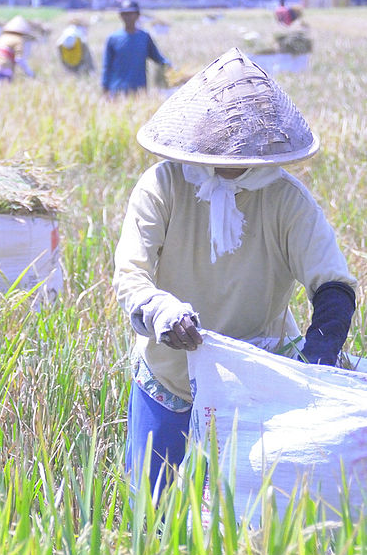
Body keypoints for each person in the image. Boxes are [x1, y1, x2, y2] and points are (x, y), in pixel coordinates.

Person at [113, 47, 357, 496]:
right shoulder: (162, 186)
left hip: (257, 378)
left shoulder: (285, 199)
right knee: (154, 507)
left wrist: (319, 353)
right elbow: (131, 275)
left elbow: (333, 284)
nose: (234, 158)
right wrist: (161, 310)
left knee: (251, 516)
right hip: (170, 373)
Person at [101, 0, 170, 95]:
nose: (127, 17)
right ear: (120, 16)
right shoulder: (113, 38)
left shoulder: (144, 37)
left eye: (130, 14)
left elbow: (157, 58)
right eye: (124, 14)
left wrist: (171, 67)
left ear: (137, 15)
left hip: (139, 90)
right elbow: (107, 66)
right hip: (117, 90)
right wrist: (105, 88)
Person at [0, 15, 36, 82]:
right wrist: (29, 73)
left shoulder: (3, 37)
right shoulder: (18, 40)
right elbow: (19, 59)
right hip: (4, 68)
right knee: (4, 86)